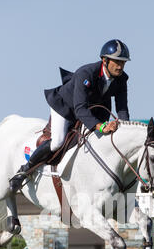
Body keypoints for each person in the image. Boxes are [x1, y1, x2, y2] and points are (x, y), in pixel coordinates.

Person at [9, 39, 131, 193]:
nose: (120, 66)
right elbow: (80, 108)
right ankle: (23, 171)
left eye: (123, 62)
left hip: (94, 110)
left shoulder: (122, 79)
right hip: (66, 107)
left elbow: (122, 108)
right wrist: (100, 126)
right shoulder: (86, 73)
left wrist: (123, 127)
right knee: (58, 142)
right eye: (117, 62)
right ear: (104, 60)